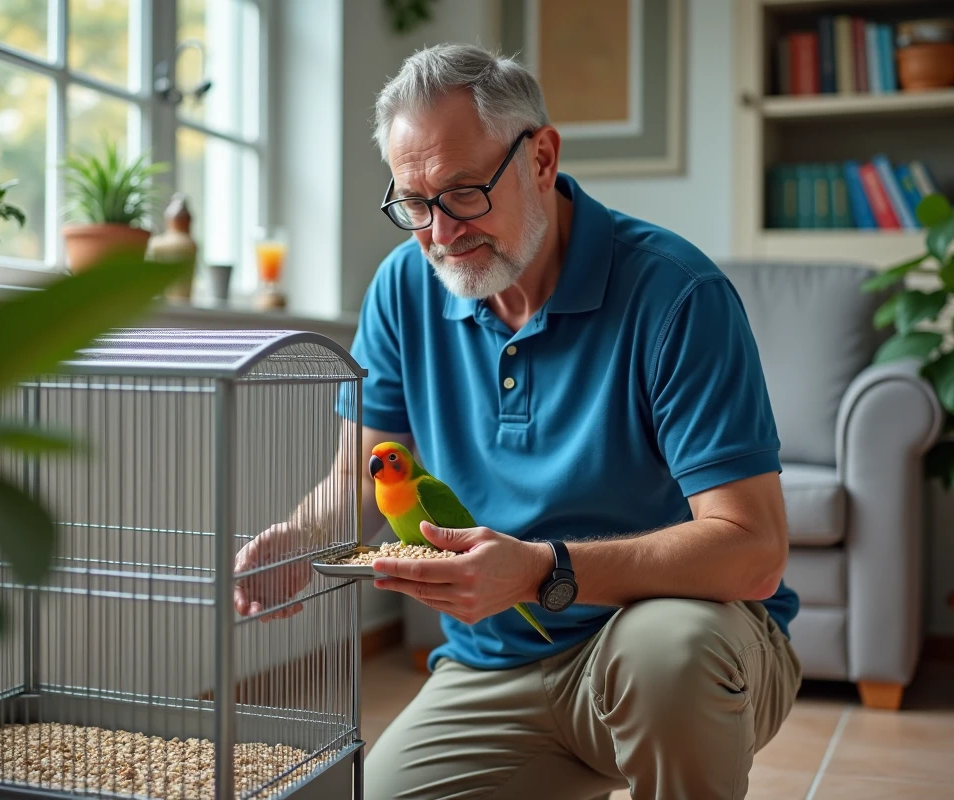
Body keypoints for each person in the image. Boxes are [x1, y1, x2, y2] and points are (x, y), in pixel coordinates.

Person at [234, 43, 801, 800]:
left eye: (464, 192)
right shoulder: (402, 289)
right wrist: (301, 535)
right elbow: (356, 473)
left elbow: (754, 549)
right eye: (414, 203)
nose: (440, 234)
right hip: (494, 667)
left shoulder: (677, 294)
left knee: (670, 655)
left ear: (541, 158)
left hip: (674, 640)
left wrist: (540, 570)